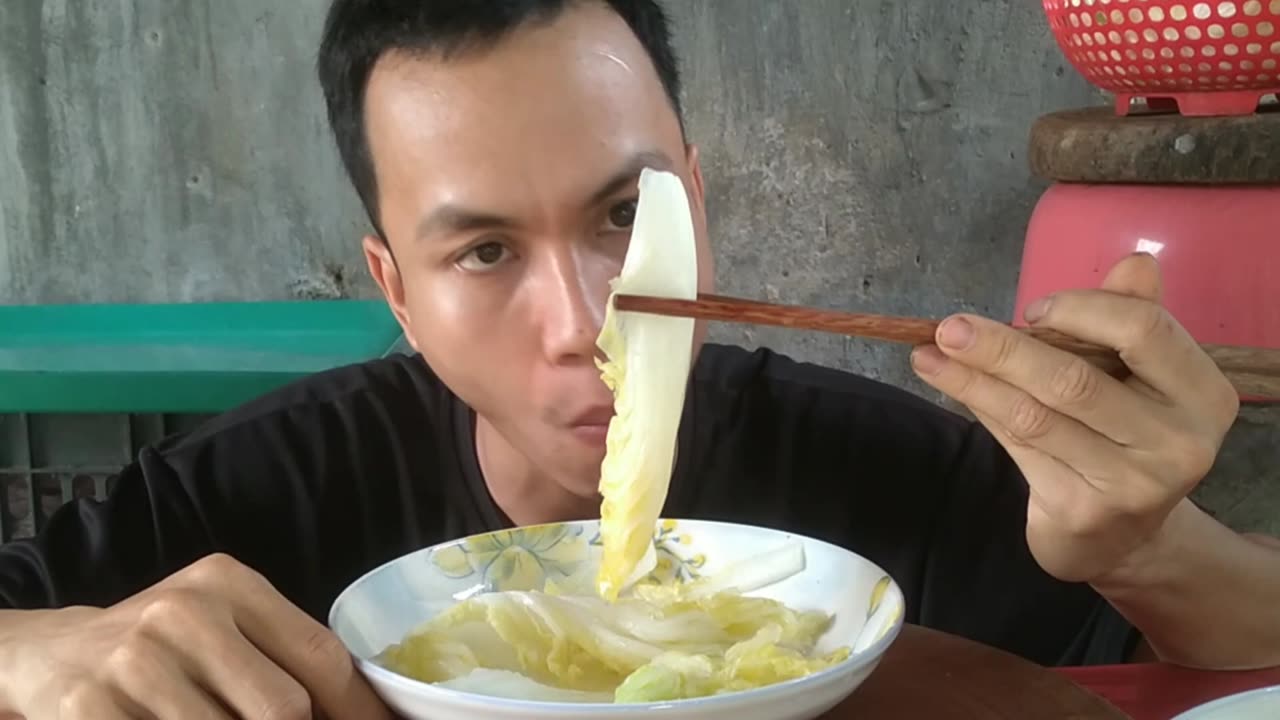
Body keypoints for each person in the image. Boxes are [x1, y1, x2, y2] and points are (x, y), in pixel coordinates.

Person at [2, 0, 1278, 717]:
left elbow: (1235, 658)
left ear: (697, 201)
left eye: (627, 217)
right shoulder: (252, 491)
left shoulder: (887, 474)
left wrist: (1145, 541)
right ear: (391, 287)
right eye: (484, 253)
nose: (583, 324)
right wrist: (39, 653)